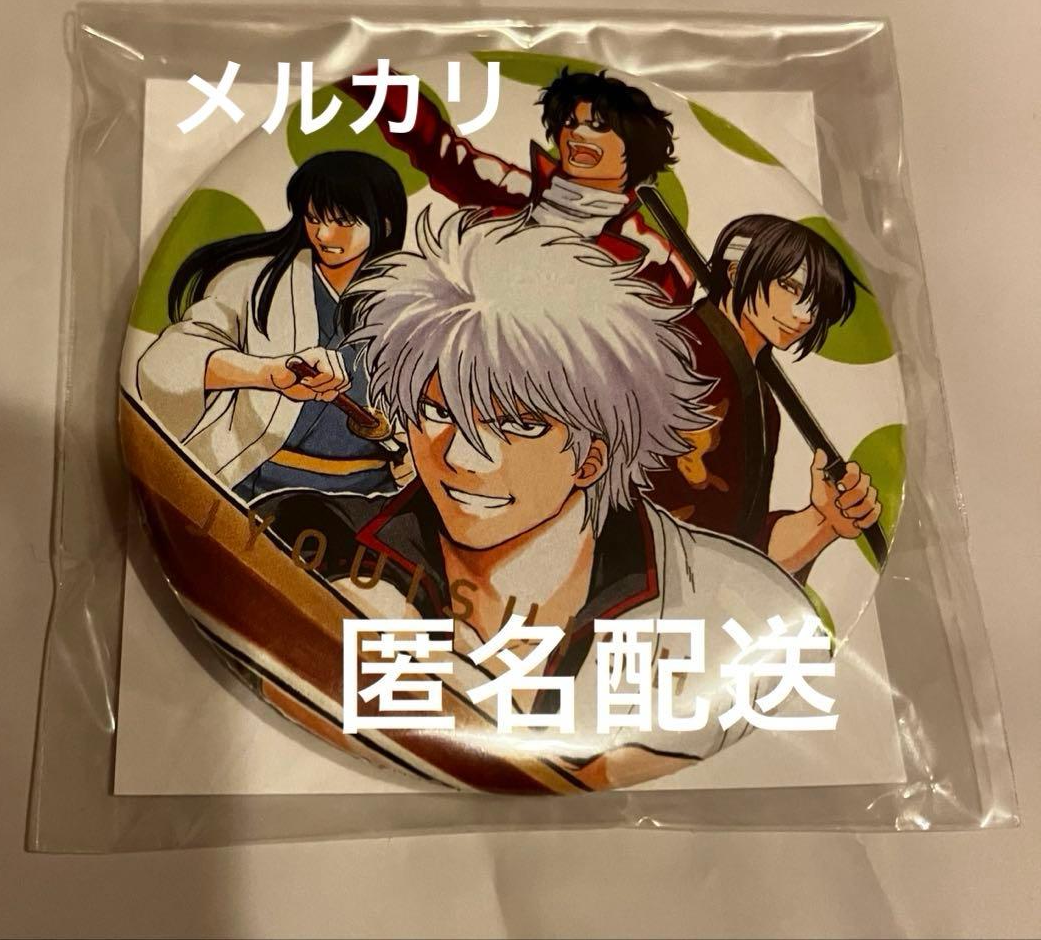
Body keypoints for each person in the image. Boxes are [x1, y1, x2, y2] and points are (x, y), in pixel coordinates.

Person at [254, 208, 826, 789]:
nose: (464, 458)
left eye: (519, 424)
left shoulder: (742, 610)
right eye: (435, 411)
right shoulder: (305, 536)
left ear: (593, 455)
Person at [136, 151, 408, 500]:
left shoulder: (411, 308)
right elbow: (167, 361)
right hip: (254, 483)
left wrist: (414, 458)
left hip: (370, 497)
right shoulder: (256, 283)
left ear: (384, 224)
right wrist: (268, 373)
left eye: (342, 221)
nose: (323, 234)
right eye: (313, 218)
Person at [645, 214, 882, 575]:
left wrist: (824, 521)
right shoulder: (672, 352)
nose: (804, 315)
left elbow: (740, 548)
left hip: (691, 588)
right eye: (789, 286)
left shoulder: (764, 405)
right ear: (736, 271)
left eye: (816, 303)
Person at [338, 65, 697, 303]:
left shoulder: (655, 258)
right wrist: (362, 72)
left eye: (599, 126)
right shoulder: (514, 191)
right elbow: (434, 144)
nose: (578, 135)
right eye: (570, 123)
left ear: (636, 145)